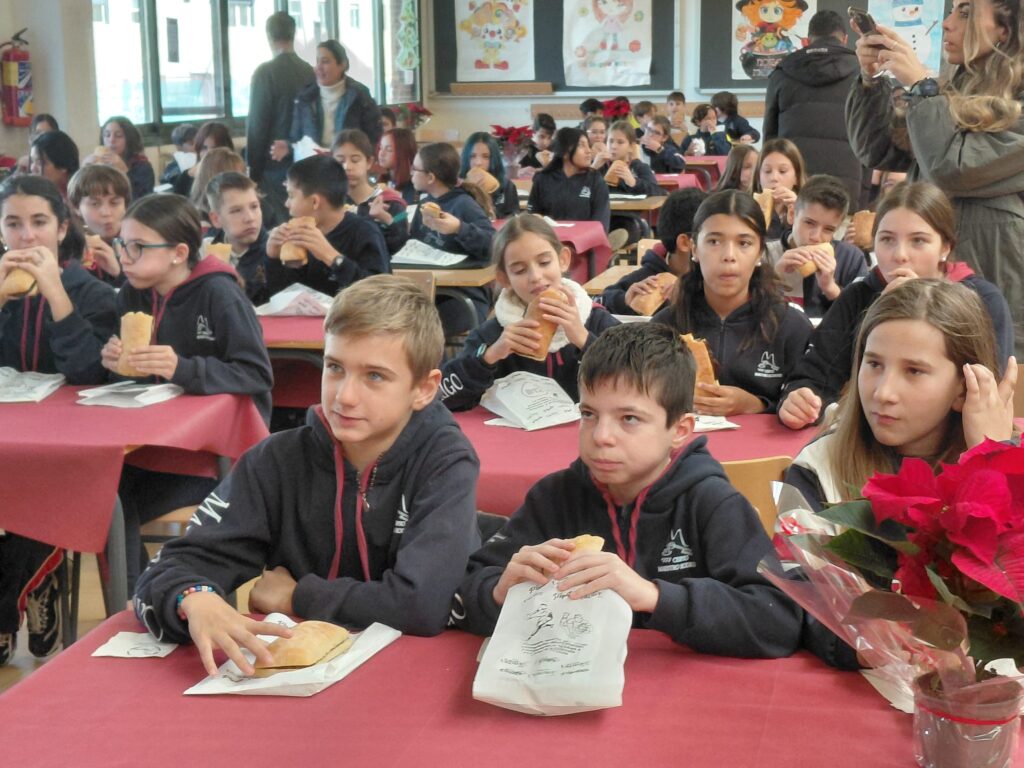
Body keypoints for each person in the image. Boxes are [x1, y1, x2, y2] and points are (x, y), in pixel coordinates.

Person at [134, 275, 483, 675]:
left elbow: (423, 604)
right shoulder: (275, 461)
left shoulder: (445, 462)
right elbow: (168, 570)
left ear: (424, 389)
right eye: (335, 368)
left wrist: (298, 596)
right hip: (293, 680)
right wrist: (194, 598)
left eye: (375, 376)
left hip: (415, 677)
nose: (344, 396)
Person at [451, 321, 802, 658]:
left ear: (680, 430)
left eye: (629, 419)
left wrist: (654, 596)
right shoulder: (554, 497)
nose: (601, 436)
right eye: (589, 414)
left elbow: (778, 620)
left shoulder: (711, 503)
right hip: (568, 683)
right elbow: (465, 592)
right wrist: (497, 592)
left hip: (676, 690)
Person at [100, 194, 273, 590]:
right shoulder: (131, 295)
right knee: (99, 492)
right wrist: (114, 363)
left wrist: (182, 368)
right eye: (122, 244)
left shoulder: (219, 294)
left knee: (113, 500)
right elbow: (137, 385)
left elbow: (256, 373)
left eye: (137, 247)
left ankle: (140, 595)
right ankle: (138, 595)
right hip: (150, 444)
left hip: (213, 456)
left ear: (179, 253)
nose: (124, 257)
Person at [847, 0, 1024, 357]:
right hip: (930, 273)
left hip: (993, 275)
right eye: (952, 10)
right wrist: (870, 81)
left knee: (992, 376)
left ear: (1005, 30)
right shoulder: (947, 92)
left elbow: (953, 169)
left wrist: (923, 87)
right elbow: (877, 150)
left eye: (966, 12)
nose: (946, 23)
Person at [778, 181, 1014, 430]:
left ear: (945, 246)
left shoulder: (981, 299)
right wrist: (799, 398)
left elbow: (988, 397)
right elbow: (815, 376)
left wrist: (918, 306)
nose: (900, 254)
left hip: (954, 441)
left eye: (918, 241)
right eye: (887, 239)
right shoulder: (859, 296)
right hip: (869, 437)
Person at [0, 175, 118, 665]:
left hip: (69, 450)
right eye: (13, 224)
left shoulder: (93, 292)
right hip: (9, 439)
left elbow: (90, 375)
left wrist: (55, 295)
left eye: (39, 222)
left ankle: (6, 612)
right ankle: (38, 579)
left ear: (62, 227)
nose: (27, 236)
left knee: (34, 490)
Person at [786, 278, 1016, 511]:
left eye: (914, 371)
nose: (883, 393)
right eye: (874, 364)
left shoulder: (1014, 464)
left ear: (964, 388)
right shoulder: (819, 468)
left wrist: (991, 460)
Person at [651, 189, 813, 415]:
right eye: (714, 241)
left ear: (760, 252)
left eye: (744, 243)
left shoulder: (791, 326)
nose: (729, 255)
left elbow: (807, 400)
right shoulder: (663, 327)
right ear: (695, 248)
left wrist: (754, 405)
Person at [439, 214, 618, 410]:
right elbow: (443, 397)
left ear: (563, 260)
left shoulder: (597, 320)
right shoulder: (492, 335)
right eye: (519, 270)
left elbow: (637, 379)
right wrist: (488, 358)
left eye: (544, 262)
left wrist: (585, 340)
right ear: (504, 279)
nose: (535, 276)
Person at [763, 10, 864, 207]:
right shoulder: (861, 72)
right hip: (848, 181)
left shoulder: (782, 72)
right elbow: (869, 137)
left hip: (794, 182)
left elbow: (770, 139)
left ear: (808, 40)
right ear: (844, 39)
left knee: (796, 224)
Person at [266, 154, 390, 299]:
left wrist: (332, 257)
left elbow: (380, 296)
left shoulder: (365, 232)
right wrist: (273, 258)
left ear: (315, 202)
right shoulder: (300, 238)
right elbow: (283, 297)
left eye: (291, 196)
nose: (286, 204)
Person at [407, 142, 495, 335]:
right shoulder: (425, 204)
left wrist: (459, 228)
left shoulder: (463, 204)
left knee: (418, 328)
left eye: (415, 169)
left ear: (431, 177)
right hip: (430, 292)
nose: (411, 174)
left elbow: (493, 245)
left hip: (463, 297)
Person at [246, 11, 315, 227]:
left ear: (269, 36)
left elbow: (257, 126)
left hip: (274, 168)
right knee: (306, 224)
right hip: (307, 163)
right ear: (294, 34)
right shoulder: (310, 72)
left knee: (280, 228)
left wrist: (253, 172)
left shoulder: (265, 73)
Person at [768, 174, 868, 318]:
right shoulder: (765, 253)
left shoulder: (851, 259)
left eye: (828, 229)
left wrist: (831, 289)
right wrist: (772, 279)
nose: (816, 237)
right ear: (792, 214)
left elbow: (862, 319)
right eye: (809, 223)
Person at [600, 188, 706, 315]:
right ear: (685, 243)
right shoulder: (650, 278)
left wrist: (689, 299)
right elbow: (602, 301)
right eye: (713, 240)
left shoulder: (715, 278)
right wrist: (625, 300)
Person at [289, 40, 383, 153]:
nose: (318, 67)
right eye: (317, 62)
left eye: (325, 61)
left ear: (342, 65)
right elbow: (295, 137)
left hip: (348, 160)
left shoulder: (359, 95)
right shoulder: (305, 97)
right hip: (314, 160)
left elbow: (374, 136)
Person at [332, 129, 408, 255]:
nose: (347, 167)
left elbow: (401, 245)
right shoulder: (329, 203)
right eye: (340, 161)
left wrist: (388, 220)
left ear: (369, 162)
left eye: (355, 160)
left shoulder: (392, 203)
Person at [526, 127, 611, 232]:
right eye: (581, 145)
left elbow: (601, 224)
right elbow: (532, 220)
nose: (589, 151)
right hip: (549, 239)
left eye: (588, 145)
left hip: (585, 239)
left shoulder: (595, 180)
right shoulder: (542, 179)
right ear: (565, 152)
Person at [204, 171, 269, 305]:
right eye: (236, 211)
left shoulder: (274, 252)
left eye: (254, 207)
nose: (250, 218)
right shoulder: (203, 254)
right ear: (216, 219)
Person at [600, 120, 665, 244]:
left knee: (630, 227)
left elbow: (656, 191)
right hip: (603, 216)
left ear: (631, 147)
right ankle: (605, 244)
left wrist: (634, 182)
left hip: (628, 217)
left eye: (620, 142)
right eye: (610, 141)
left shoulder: (638, 167)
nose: (613, 146)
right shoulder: (600, 166)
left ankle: (610, 243)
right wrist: (593, 168)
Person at [67, 164, 131, 286]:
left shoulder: (138, 244)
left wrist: (118, 273)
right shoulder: (70, 248)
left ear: (125, 205)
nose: (106, 213)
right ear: (76, 207)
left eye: (114, 203)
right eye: (95, 204)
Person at [90, 116, 154, 201]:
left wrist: (125, 171)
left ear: (129, 139)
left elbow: (142, 200)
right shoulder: (100, 164)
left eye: (118, 136)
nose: (111, 140)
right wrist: (85, 171)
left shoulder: (143, 166)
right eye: (107, 135)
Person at [753, 138, 806, 240]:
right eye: (767, 171)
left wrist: (801, 212)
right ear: (758, 177)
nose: (774, 178)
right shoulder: (746, 208)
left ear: (797, 177)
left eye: (782, 171)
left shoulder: (808, 209)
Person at [459, 132, 520, 219]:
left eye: (485, 157)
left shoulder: (507, 186)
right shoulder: (458, 186)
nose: (478, 162)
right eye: (472, 156)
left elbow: (513, 218)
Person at [173, 121, 235, 198]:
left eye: (215, 148)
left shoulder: (237, 174)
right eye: (204, 148)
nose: (208, 153)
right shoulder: (186, 178)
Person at [30, 130, 79, 201]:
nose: (32, 168)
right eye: (32, 161)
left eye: (40, 163)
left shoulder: (82, 198)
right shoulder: (34, 196)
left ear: (63, 165)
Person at [377, 127, 418, 205]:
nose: (381, 153)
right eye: (380, 148)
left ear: (403, 153)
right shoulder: (384, 180)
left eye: (389, 149)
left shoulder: (415, 184)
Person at [159, 123, 197, 188]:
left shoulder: (177, 162)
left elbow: (164, 179)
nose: (196, 145)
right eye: (191, 143)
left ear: (177, 146)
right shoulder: (178, 161)